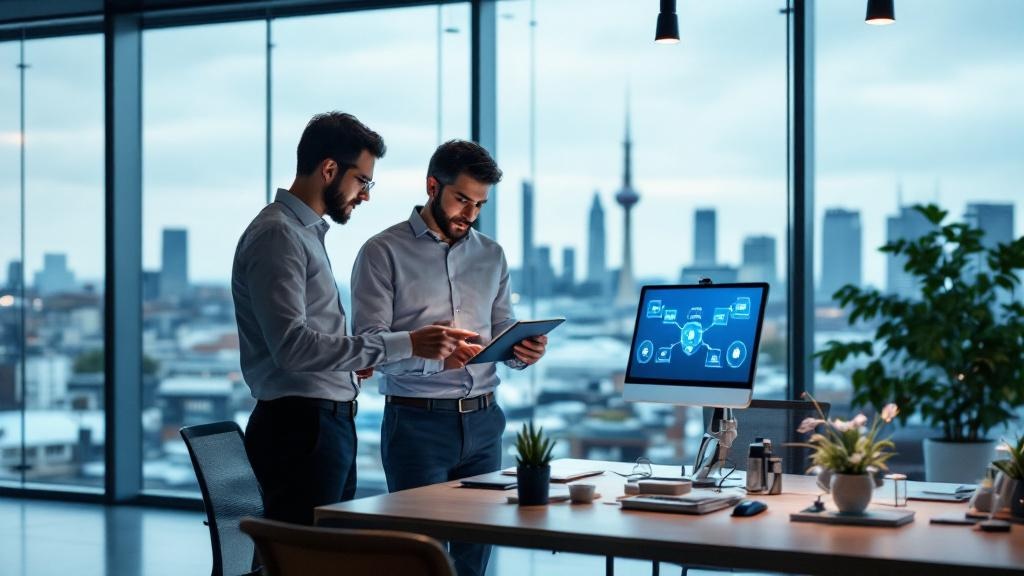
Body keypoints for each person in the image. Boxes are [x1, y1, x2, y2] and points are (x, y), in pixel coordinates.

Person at [232, 112, 475, 526]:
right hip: (301, 430)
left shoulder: (301, 233)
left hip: (318, 426)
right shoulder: (280, 236)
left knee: (321, 557)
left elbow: (308, 342)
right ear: (330, 169)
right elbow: (292, 347)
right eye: (362, 181)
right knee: (301, 561)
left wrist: (351, 361)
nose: (365, 196)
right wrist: (408, 343)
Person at [351, 139, 547, 576]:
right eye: (462, 199)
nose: (470, 214)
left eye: (479, 204)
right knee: (421, 561)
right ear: (432, 186)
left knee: (474, 561)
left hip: (484, 423)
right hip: (417, 426)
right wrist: (436, 359)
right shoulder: (382, 253)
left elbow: (501, 334)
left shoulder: (491, 254)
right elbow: (369, 347)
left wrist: (521, 352)